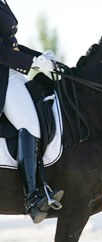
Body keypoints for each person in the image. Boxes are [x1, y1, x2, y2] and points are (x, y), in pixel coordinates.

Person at [0, 0, 63, 223]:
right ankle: (32, 196)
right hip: (4, 77)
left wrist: (39, 57)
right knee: (30, 124)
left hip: (11, 72)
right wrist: (33, 63)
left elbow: (9, 45)